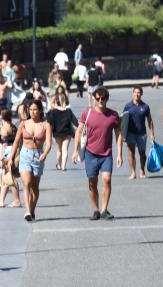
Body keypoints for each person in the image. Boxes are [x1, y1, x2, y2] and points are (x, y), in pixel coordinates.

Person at [72, 87, 123, 220]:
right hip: (90, 153)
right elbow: (78, 131)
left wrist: (119, 155)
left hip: (106, 154)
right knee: (92, 183)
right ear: (94, 98)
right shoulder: (87, 113)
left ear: (107, 99)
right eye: (98, 98)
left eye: (103, 99)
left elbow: (118, 135)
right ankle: (95, 209)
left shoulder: (113, 115)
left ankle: (104, 209)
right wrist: (74, 151)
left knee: (107, 179)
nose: (101, 101)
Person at [8, 99, 52, 222]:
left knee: (35, 187)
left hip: (38, 155)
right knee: (26, 183)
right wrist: (11, 158)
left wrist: (45, 153)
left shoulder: (46, 125)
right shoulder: (23, 124)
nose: (32, 112)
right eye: (30, 110)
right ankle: (27, 211)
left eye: (35, 110)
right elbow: (16, 142)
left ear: (40, 110)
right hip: (25, 154)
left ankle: (32, 209)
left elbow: (48, 143)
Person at [123, 86, 155, 179]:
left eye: (139, 93)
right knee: (131, 152)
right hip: (130, 133)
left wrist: (152, 133)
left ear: (141, 94)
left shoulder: (145, 106)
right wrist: (122, 134)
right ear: (132, 93)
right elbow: (123, 120)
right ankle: (133, 172)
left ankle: (142, 169)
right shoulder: (128, 106)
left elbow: (150, 120)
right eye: (135, 92)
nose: (137, 94)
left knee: (142, 153)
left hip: (142, 133)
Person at [0, 108, 21, 209]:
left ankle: (17, 200)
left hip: (7, 152)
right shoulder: (13, 126)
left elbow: (4, 144)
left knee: (9, 177)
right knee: (5, 179)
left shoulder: (4, 128)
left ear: (2, 116)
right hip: (13, 151)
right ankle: (1, 201)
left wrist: (1, 158)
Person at [47, 91, 77, 171]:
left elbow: (49, 121)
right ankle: (63, 166)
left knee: (59, 149)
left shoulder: (53, 112)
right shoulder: (68, 110)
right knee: (65, 149)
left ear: (56, 101)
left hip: (57, 133)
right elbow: (75, 121)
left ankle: (59, 165)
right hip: (67, 132)